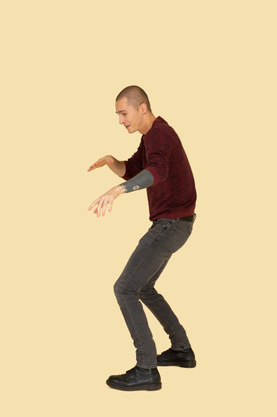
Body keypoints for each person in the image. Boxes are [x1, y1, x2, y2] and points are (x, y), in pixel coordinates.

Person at [88, 86, 197, 391]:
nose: (120, 120)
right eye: (118, 115)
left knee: (124, 288)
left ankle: (146, 368)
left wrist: (117, 191)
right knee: (144, 288)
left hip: (171, 225)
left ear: (143, 108)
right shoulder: (150, 138)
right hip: (178, 223)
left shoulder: (161, 133)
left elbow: (157, 171)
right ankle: (182, 351)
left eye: (124, 113)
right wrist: (112, 162)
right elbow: (135, 168)